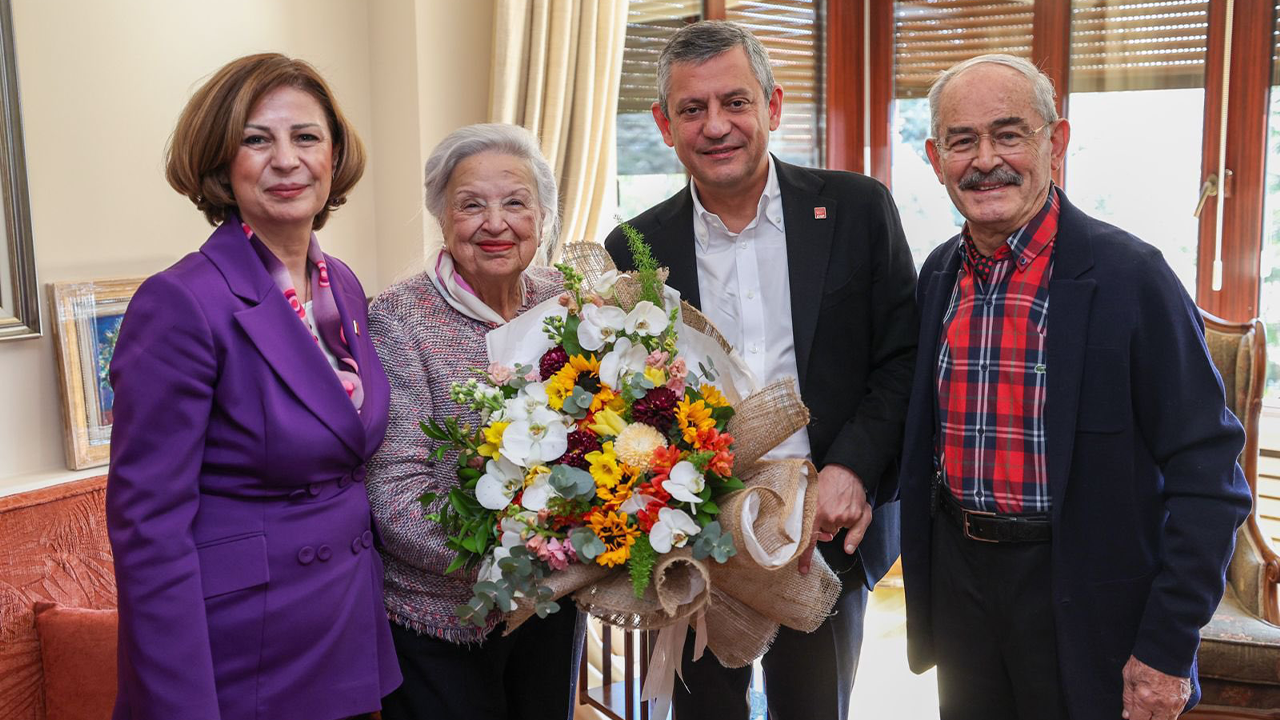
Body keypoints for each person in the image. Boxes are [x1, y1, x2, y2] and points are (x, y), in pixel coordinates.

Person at [898, 53, 1253, 720]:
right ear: (934, 155)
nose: (984, 160)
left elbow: (1210, 479)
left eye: (1009, 134)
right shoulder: (939, 275)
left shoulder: (1134, 279)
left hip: (1088, 601)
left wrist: (1167, 646)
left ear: (1054, 142)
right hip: (964, 596)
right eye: (961, 140)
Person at [604, 21, 918, 720]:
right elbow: (621, 397)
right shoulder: (633, 249)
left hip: (827, 531)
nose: (716, 125)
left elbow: (901, 357)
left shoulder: (858, 210)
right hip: (694, 546)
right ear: (664, 124)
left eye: (735, 102)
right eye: (693, 109)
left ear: (772, 108)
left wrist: (854, 468)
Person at [106, 54, 400, 720]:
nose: (286, 160)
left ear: (334, 156)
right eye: (256, 139)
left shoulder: (344, 285)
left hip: (345, 627)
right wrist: (179, 703)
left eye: (306, 137)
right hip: (245, 652)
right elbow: (149, 529)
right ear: (221, 160)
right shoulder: (180, 302)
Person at [366, 123, 578, 720]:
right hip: (441, 622)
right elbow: (396, 494)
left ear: (543, 216)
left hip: (548, 607)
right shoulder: (397, 320)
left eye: (516, 202)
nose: (495, 223)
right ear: (441, 216)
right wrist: (520, 553)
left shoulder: (565, 303)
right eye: (470, 204)